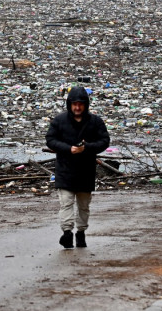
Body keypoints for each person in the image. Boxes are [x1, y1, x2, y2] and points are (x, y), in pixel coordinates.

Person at [46, 86, 110, 249]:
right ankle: (67, 233)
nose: (77, 107)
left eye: (80, 104)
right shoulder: (59, 120)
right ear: (69, 104)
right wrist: (69, 149)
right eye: (74, 104)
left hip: (85, 171)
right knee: (66, 203)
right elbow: (50, 140)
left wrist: (86, 148)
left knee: (83, 206)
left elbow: (104, 141)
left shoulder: (95, 122)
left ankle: (81, 233)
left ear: (86, 105)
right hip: (65, 170)